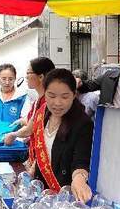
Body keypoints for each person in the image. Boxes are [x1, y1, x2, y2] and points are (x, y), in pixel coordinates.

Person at [28, 68, 93, 202]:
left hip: (64, 198)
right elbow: (42, 150)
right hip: (41, 193)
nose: (57, 103)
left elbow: (81, 161)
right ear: (44, 94)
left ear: (74, 95)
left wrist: (79, 179)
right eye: (51, 96)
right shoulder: (42, 114)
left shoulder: (83, 123)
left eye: (64, 96)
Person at [3, 57, 54, 146]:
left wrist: (14, 134)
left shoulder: (49, 102)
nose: (26, 77)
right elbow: (32, 120)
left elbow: (30, 128)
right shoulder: (38, 101)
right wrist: (21, 121)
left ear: (41, 77)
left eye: (28, 73)